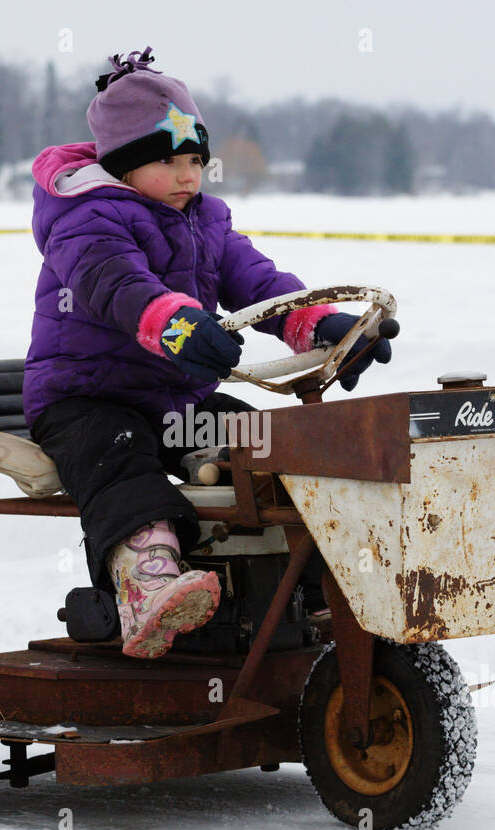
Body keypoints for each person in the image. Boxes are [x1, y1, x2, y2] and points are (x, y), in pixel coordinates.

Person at [24, 46, 391, 659]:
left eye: (196, 159)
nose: (189, 175)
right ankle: (146, 584)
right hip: (84, 399)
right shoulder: (87, 218)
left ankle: (311, 577)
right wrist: (178, 327)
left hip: (172, 399)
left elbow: (260, 282)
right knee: (124, 461)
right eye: (168, 161)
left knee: (260, 446)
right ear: (124, 165)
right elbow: (117, 286)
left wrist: (320, 325)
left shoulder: (206, 221)